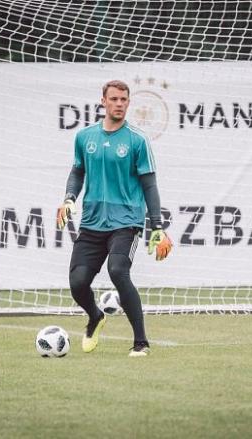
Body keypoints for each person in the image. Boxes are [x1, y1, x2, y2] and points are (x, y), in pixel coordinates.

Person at [56, 79, 172, 357]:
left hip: (126, 222)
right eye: (114, 99)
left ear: (128, 103)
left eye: (124, 99)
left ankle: (141, 342)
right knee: (78, 283)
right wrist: (69, 198)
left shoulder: (137, 140)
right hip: (92, 223)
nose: (119, 104)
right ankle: (95, 317)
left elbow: (149, 185)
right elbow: (77, 172)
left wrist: (156, 226)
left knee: (118, 271)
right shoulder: (85, 137)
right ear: (103, 101)